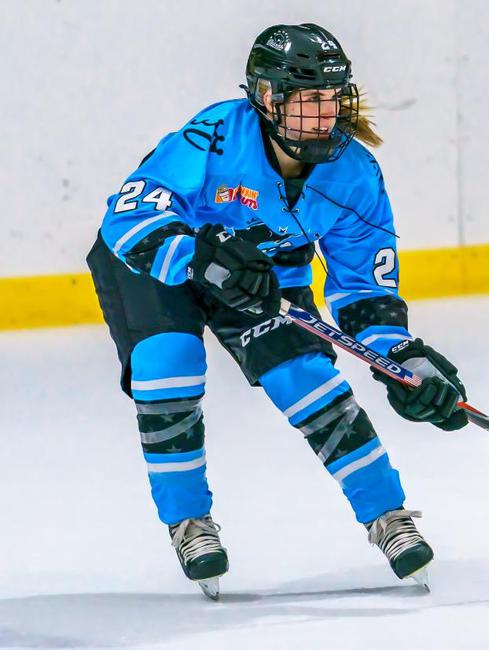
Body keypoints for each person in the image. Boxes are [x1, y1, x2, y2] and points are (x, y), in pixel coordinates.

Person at [86, 23, 468, 599]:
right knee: (169, 362)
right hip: (157, 265)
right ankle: (190, 522)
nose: (324, 115)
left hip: (260, 276)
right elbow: (129, 217)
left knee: (306, 378)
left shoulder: (354, 172)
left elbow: (363, 287)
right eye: (308, 100)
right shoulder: (215, 134)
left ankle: (388, 515)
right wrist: (199, 261)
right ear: (267, 99)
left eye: (332, 98)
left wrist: (402, 358)